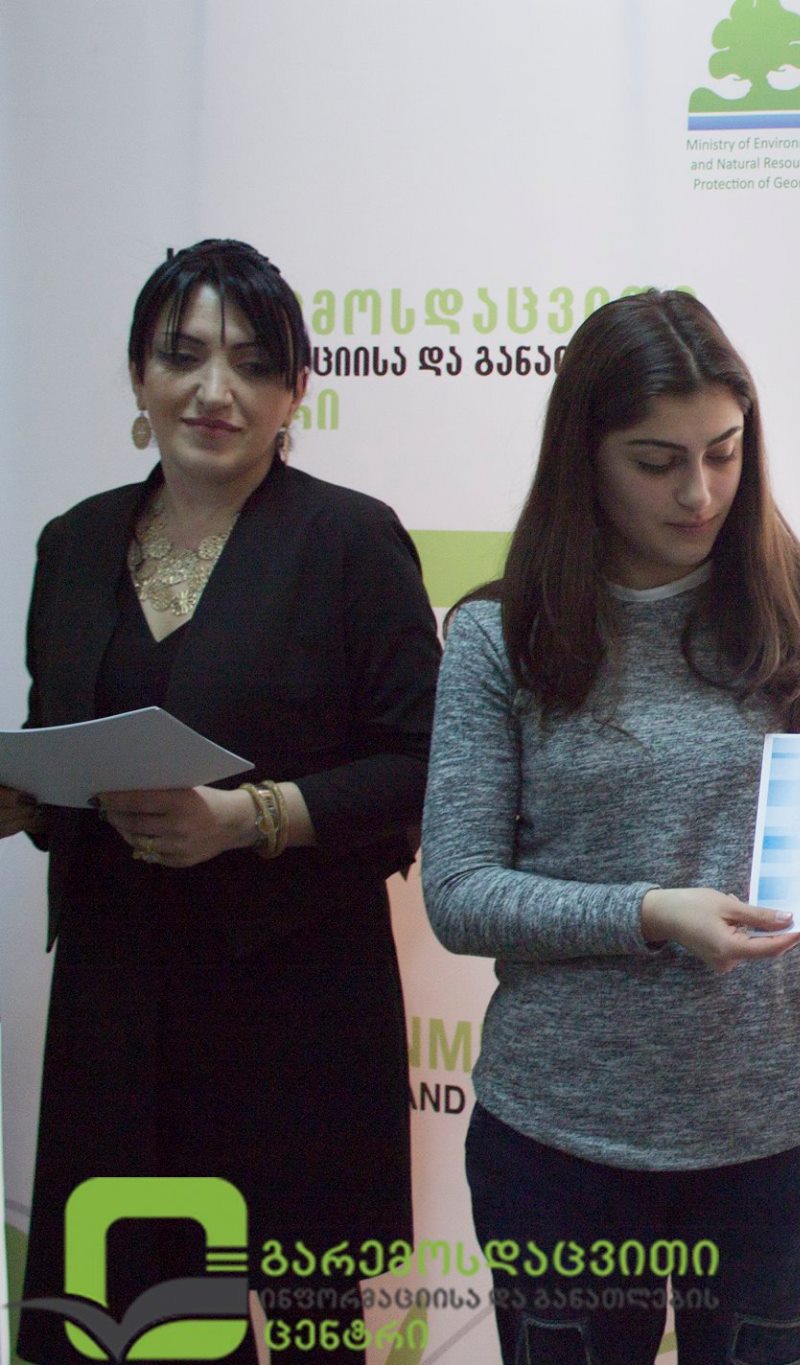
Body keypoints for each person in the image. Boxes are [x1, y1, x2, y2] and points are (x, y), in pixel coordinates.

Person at [422, 290, 800, 1365]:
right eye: (657, 461)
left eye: (724, 452)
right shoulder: (499, 637)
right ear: (584, 457)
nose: (700, 491)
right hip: (565, 1142)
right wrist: (648, 914)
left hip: (784, 1130)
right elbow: (459, 892)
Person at [7, 239, 441, 1363]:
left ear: (295, 391)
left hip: (293, 1006)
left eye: (252, 363)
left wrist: (252, 817)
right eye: (183, 355)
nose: (215, 390)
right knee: (119, 1325)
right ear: (139, 378)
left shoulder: (349, 540)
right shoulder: (73, 542)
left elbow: (422, 764)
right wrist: (25, 798)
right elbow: (62, 749)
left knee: (306, 1332)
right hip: (115, 1000)